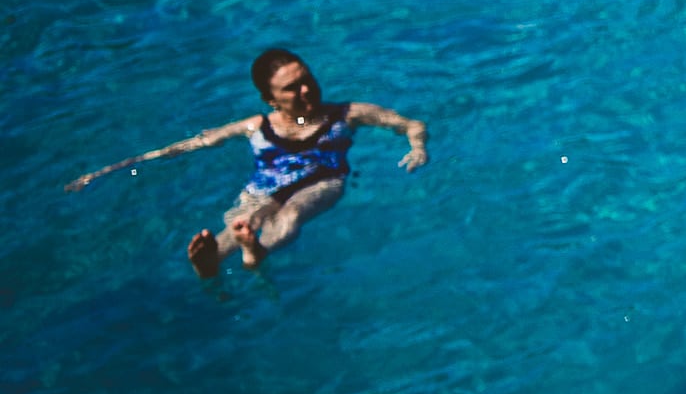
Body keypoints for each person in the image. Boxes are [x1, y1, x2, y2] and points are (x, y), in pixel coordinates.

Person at [64, 49, 428, 280]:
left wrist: (417, 149)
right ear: (270, 99)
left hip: (322, 181)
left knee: (291, 216)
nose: (306, 92)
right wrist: (105, 171)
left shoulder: (346, 115)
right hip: (263, 189)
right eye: (292, 89)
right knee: (244, 221)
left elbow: (411, 124)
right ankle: (212, 263)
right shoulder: (256, 126)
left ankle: (256, 252)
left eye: (307, 81)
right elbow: (186, 146)